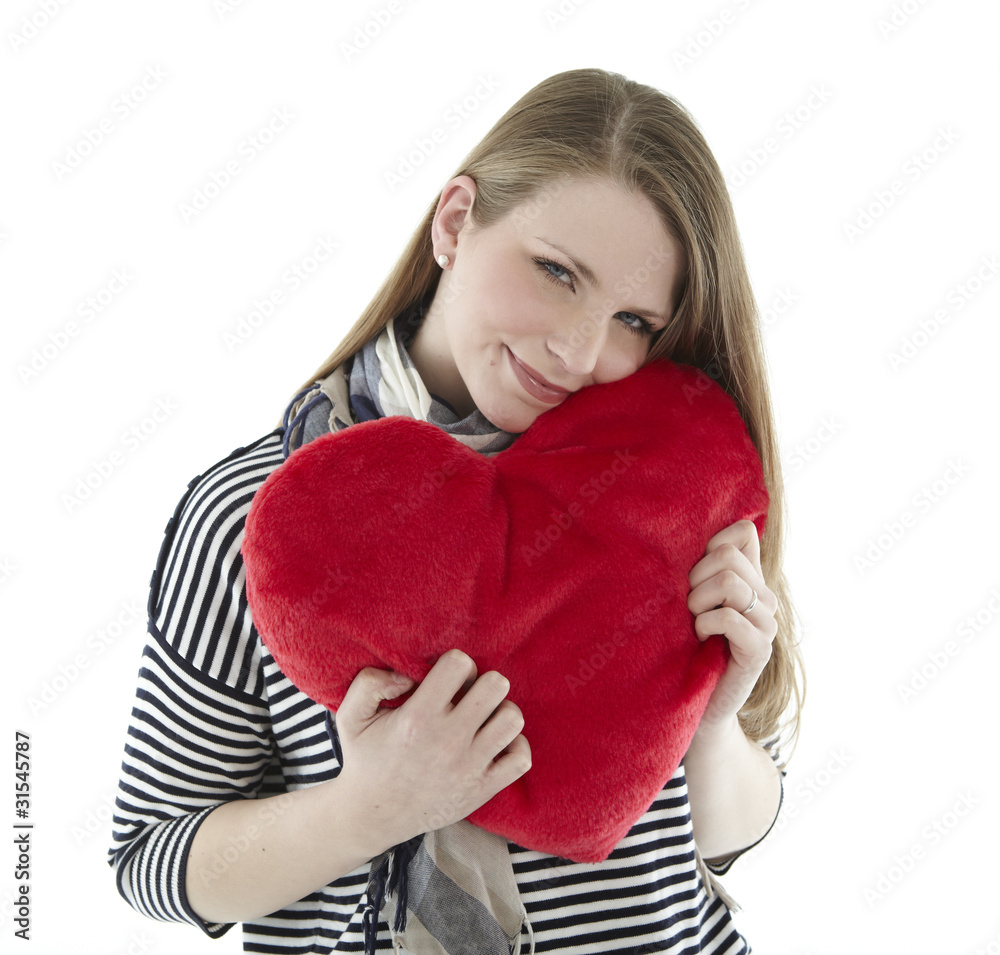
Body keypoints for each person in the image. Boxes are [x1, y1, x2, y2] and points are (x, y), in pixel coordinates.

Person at [108, 67, 804, 953]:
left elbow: (732, 833)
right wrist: (363, 812)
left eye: (635, 320)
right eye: (556, 271)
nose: (579, 349)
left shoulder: (672, 488)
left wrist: (710, 725)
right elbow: (149, 858)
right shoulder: (254, 516)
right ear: (454, 222)